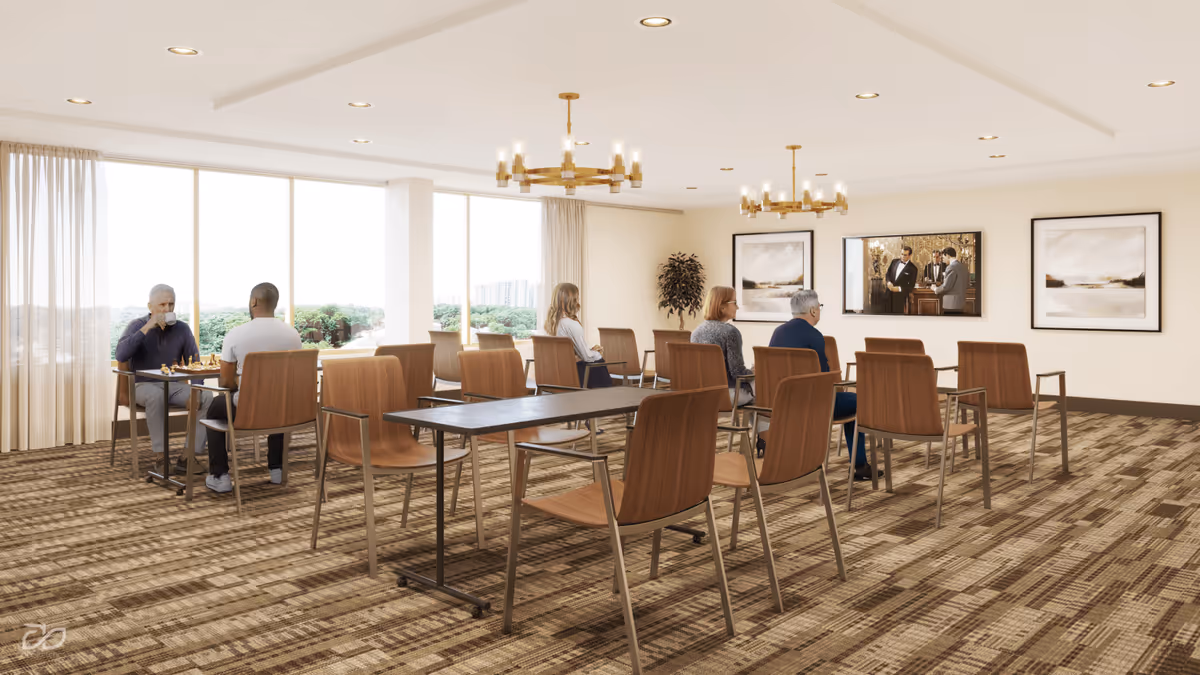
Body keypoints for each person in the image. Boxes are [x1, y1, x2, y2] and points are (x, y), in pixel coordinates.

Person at [769, 289, 879, 481]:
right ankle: (860, 465)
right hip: (814, 403)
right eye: (819, 307)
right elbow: (824, 378)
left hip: (783, 403)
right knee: (859, 401)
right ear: (813, 311)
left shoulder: (777, 333)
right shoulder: (815, 336)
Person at [204, 282, 302, 493]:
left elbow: (226, 383)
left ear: (253, 302)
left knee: (214, 408)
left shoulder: (236, 334)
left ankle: (220, 475)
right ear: (275, 304)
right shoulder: (293, 335)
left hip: (249, 410)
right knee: (278, 399)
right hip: (285, 410)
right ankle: (277, 470)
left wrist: (243, 384)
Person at [114, 284, 212, 474]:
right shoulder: (136, 326)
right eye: (162, 305)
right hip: (142, 385)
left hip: (173, 385)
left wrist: (196, 390)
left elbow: (195, 361)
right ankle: (161, 458)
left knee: (206, 397)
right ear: (151, 307)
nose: (167, 309)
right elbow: (121, 355)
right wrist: (148, 327)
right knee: (155, 396)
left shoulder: (182, 329)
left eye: (171, 304)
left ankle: (187, 457)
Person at [690, 286, 754, 406]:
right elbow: (737, 372)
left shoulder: (696, 332)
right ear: (721, 306)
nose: (738, 307)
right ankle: (766, 426)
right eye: (734, 303)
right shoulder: (730, 332)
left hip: (702, 393)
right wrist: (754, 371)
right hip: (728, 394)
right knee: (764, 390)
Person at [544, 282, 612, 389]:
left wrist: (588, 350)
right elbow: (587, 357)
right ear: (572, 301)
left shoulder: (551, 324)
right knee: (598, 360)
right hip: (579, 375)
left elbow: (569, 353)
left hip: (561, 374)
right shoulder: (571, 324)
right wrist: (596, 353)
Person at [933, 246, 968, 315]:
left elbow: (946, 287)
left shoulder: (951, 267)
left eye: (943, 257)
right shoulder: (964, 267)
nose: (943, 260)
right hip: (962, 303)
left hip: (951, 304)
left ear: (948, 255)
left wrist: (935, 289)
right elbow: (967, 284)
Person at [884, 246, 918, 314]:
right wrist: (888, 282)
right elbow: (887, 274)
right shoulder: (894, 262)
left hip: (899, 298)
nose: (902, 256)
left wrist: (899, 289)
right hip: (888, 295)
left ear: (910, 255)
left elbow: (911, 286)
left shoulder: (913, 269)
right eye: (901, 254)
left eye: (905, 255)